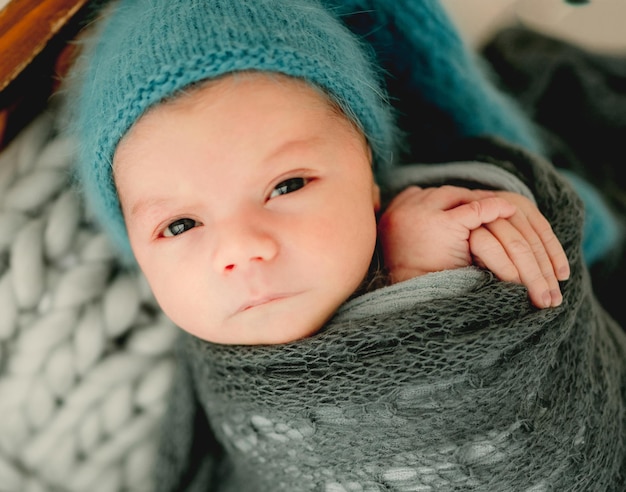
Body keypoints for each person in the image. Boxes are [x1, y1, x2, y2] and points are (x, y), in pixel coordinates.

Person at [68, 1, 626, 491]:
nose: (241, 248)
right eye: (180, 225)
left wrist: (425, 283)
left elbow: (533, 453)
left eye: (286, 186)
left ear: (372, 181)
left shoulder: (461, 237)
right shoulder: (210, 366)